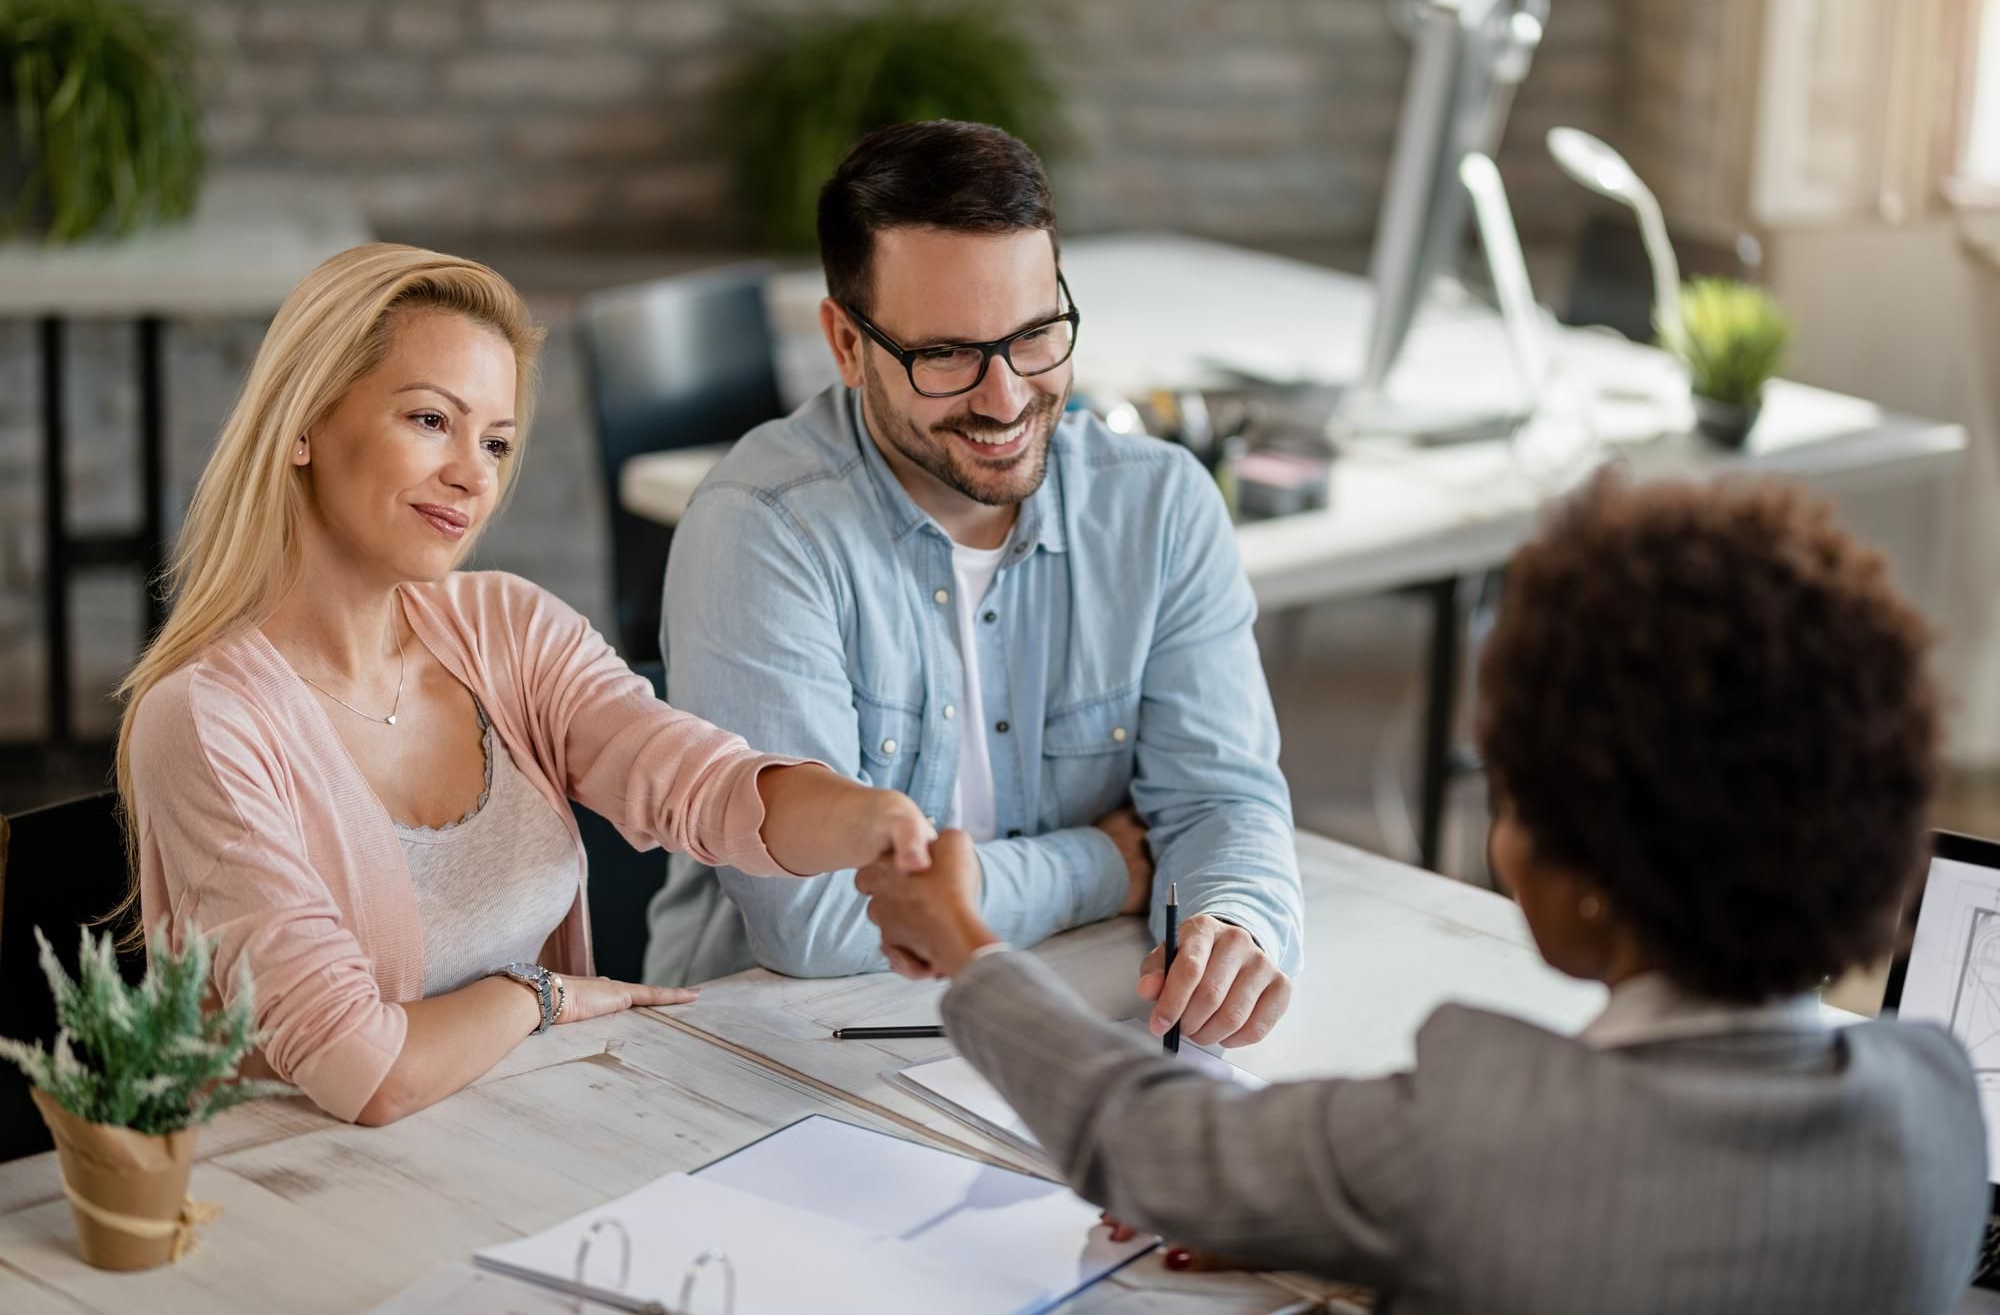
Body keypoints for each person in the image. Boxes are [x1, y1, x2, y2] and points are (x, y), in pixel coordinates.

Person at [857, 471, 1987, 1313]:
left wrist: (965, 943)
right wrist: (1378, 1226)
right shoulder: (1935, 1108)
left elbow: (1145, 1139)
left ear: (1591, 887)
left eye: (1511, 796)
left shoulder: (1486, 1133)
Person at [116, 243, 933, 1127]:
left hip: (521, 1133)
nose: (473, 475)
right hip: (301, 1188)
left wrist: (874, 823)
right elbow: (364, 1068)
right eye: (431, 420)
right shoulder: (206, 721)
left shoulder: (506, 628)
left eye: (496, 441)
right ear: (304, 422)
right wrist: (539, 996)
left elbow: (704, 784)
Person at [643, 120, 1303, 1050]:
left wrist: (1234, 919)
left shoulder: (1159, 508)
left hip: (1073, 1010)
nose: (1004, 399)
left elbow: (1221, 802)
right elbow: (817, 921)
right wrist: (1102, 867)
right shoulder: (762, 525)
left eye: (1034, 336)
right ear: (845, 343)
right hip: (774, 1051)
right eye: (946, 354)